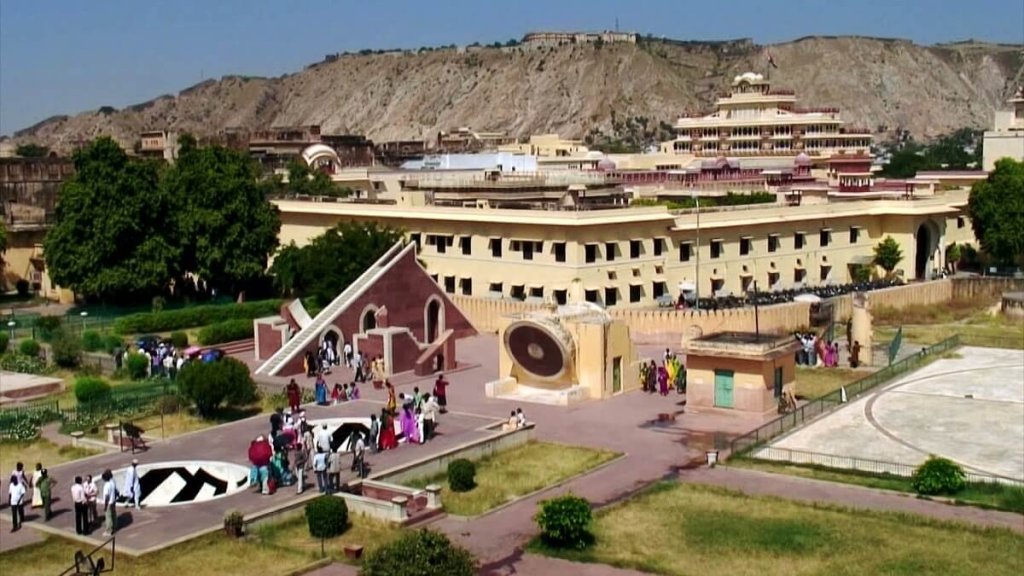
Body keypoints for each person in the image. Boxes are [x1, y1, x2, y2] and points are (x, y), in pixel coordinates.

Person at [101, 469, 118, 536]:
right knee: (113, 515)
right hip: (113, 501)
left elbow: (107, 496)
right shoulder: (112, 483)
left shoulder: (106, 485)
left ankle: (109, 531)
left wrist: (105, 505)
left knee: (108, 517)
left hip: (109, 503)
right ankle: (114, 526)